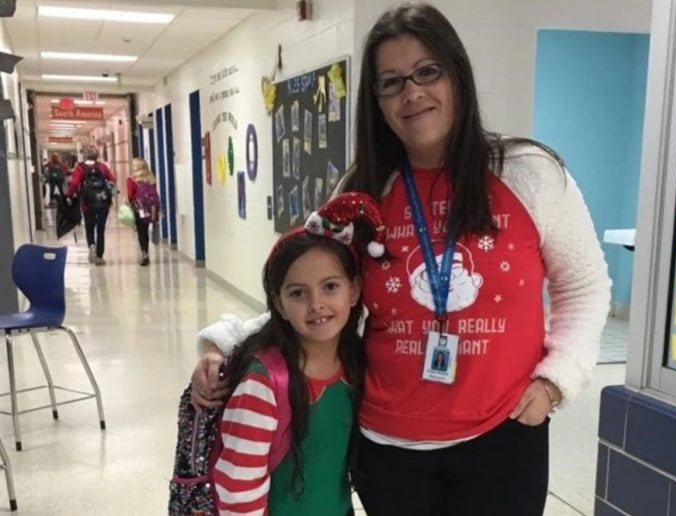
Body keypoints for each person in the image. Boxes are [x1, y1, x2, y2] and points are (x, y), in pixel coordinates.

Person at [192, 3, 611, 515]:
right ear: (377, 101)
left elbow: (585, 287)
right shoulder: (364, 188)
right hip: (389, 447)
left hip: (504, 437)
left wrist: (555, 381)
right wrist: (225, 347)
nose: (412, 92)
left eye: (427, 71)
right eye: (391, 82)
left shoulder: (529, 173)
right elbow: (316, 290)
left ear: (456, 74)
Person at [203, 193, 388, 515]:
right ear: (278, 304)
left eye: (330, 286)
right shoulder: (264, 384)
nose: (316, 304)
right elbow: (238, 489)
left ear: (355, 289)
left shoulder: (356, 361)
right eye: (298, 293)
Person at [68, 146, 117, 266]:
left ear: (86, 155)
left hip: (87, 202)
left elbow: (74, 183)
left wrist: (70, 195)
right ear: (97, 155)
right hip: (102, 203)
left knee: (89, 227)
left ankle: (91, 245)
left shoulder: (80, 167)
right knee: (100, 229)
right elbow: (113, 179)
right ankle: (100, 256)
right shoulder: (102, 166)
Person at [126, 158, 159, 266]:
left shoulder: (131, 179)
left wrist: (130, 204)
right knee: (145, 230)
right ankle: (146, 252)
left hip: (138, 208)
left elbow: (130, 195)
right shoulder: (151, 178)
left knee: (141, 231)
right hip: (150, 209)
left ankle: (144, 253)